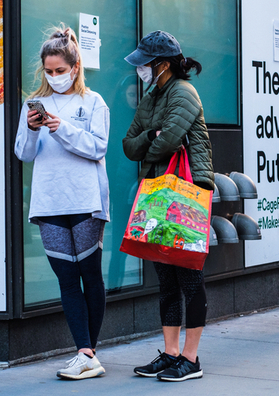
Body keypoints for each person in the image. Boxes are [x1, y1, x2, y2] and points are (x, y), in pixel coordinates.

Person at [15, 26, 110, 380]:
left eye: (60, 70)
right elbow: (23, 154)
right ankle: (85, 353)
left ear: (74, 66)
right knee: (67, 280)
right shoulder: (32, 105)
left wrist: (62, 128)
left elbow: (98, 147)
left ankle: (88, 352)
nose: (54, 77)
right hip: (48, 201)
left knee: (90, 275)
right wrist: (33, 127)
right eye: (49, 71)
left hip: (86, 199)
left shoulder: (94, 101)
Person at [122, 30, 214, 381]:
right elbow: (130, 145)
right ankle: (171, 353)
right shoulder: (153, 94)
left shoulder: (184, 92)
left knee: (189, 275)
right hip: (157, 192)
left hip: (185, 192)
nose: (141, 70)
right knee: (165, 277)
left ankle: (191, 359)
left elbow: (170, 142)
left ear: (162, 64)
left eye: (145, 64)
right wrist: (150, 137)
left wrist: (155, 140)